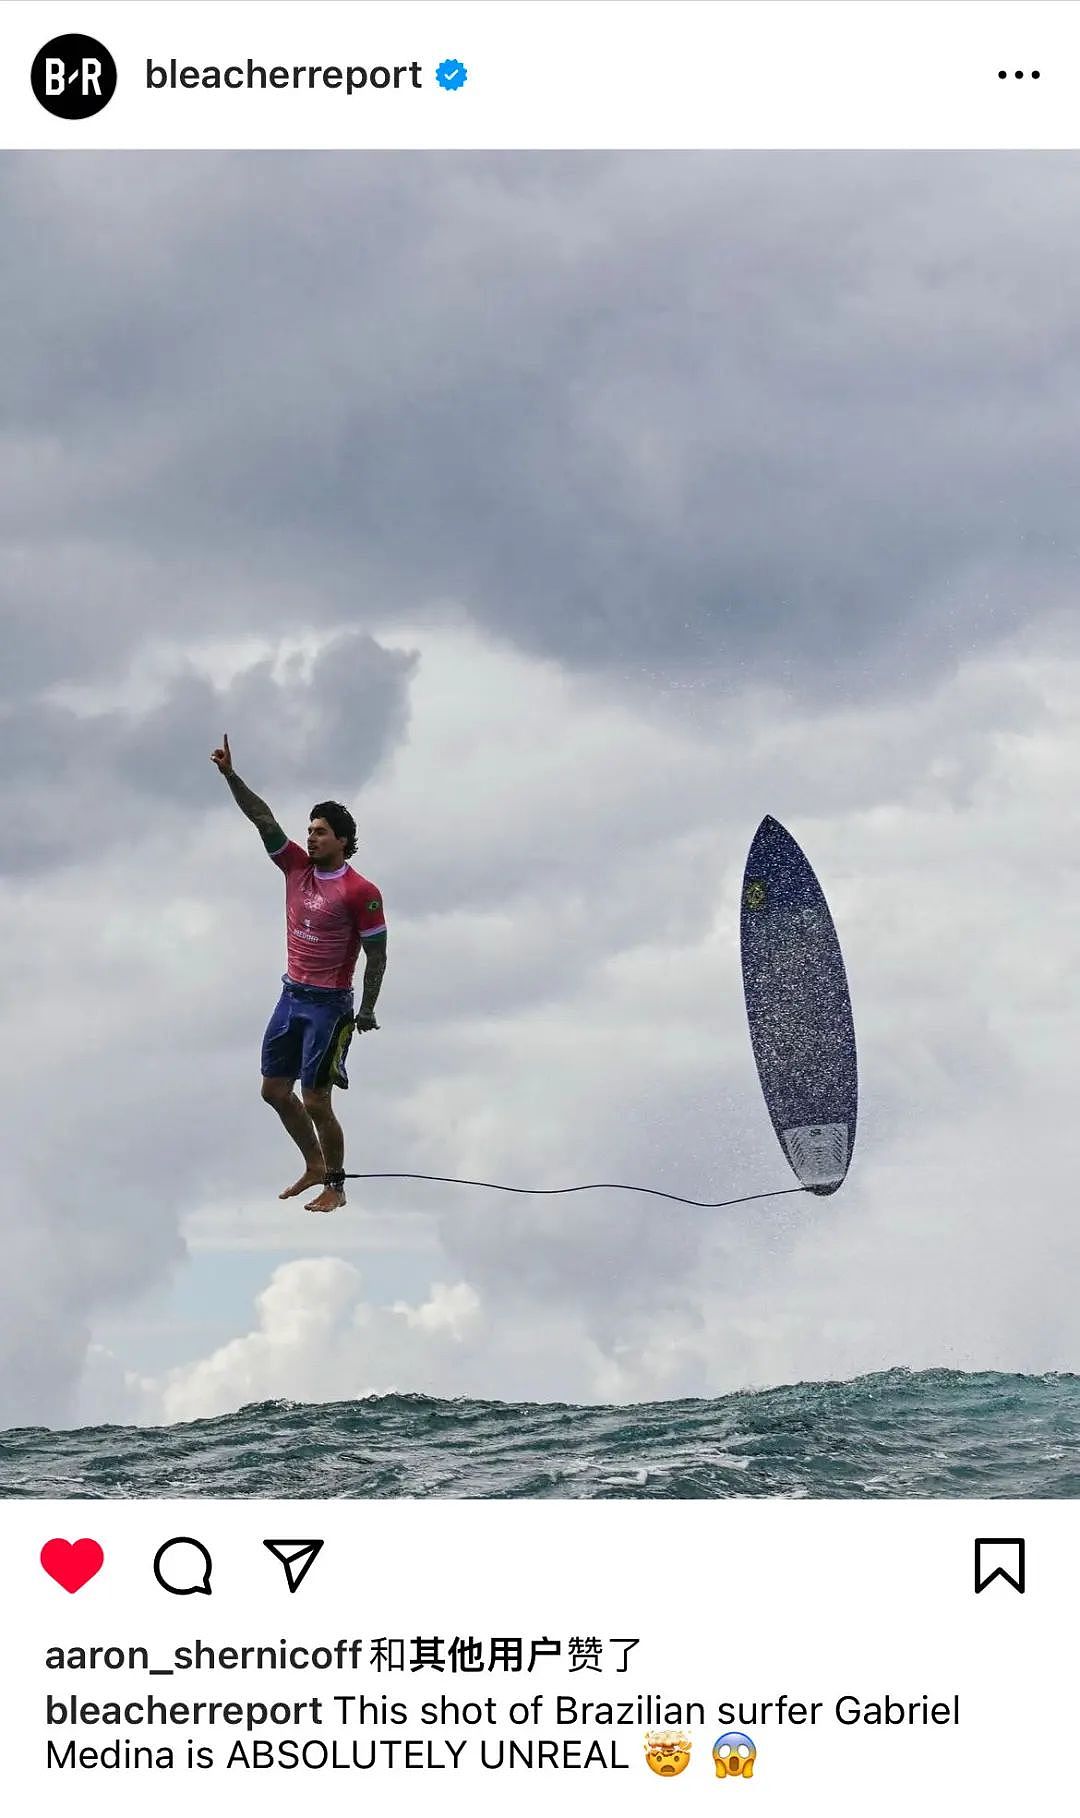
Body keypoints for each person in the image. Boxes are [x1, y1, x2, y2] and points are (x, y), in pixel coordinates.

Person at [210, 733, 387, 1213]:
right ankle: (312, 1164)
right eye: (309, 830)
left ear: (343, 842)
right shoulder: (294, 867)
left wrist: (367, 1008)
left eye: (321, 832)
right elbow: (262, 818)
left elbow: (378, 954)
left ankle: (336, 1185)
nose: (310, 837)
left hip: (330, 1007)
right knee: (273, 1091)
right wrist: (230, 776)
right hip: (291, 996)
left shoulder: (360, 891)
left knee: (316, 1100)